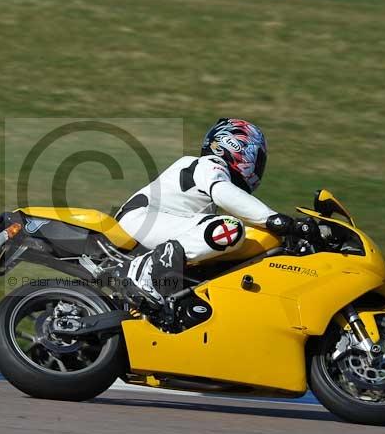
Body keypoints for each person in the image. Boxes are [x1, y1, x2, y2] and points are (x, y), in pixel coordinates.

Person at [115, 118, 293, 307]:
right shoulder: (209, 164)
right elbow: (223, 192)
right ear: (236, 147)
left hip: (147, 221)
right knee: (229, 227)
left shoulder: (204, 171)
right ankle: (144, 270)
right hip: (141, 219)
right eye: (256, 159)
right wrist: (272, 218)